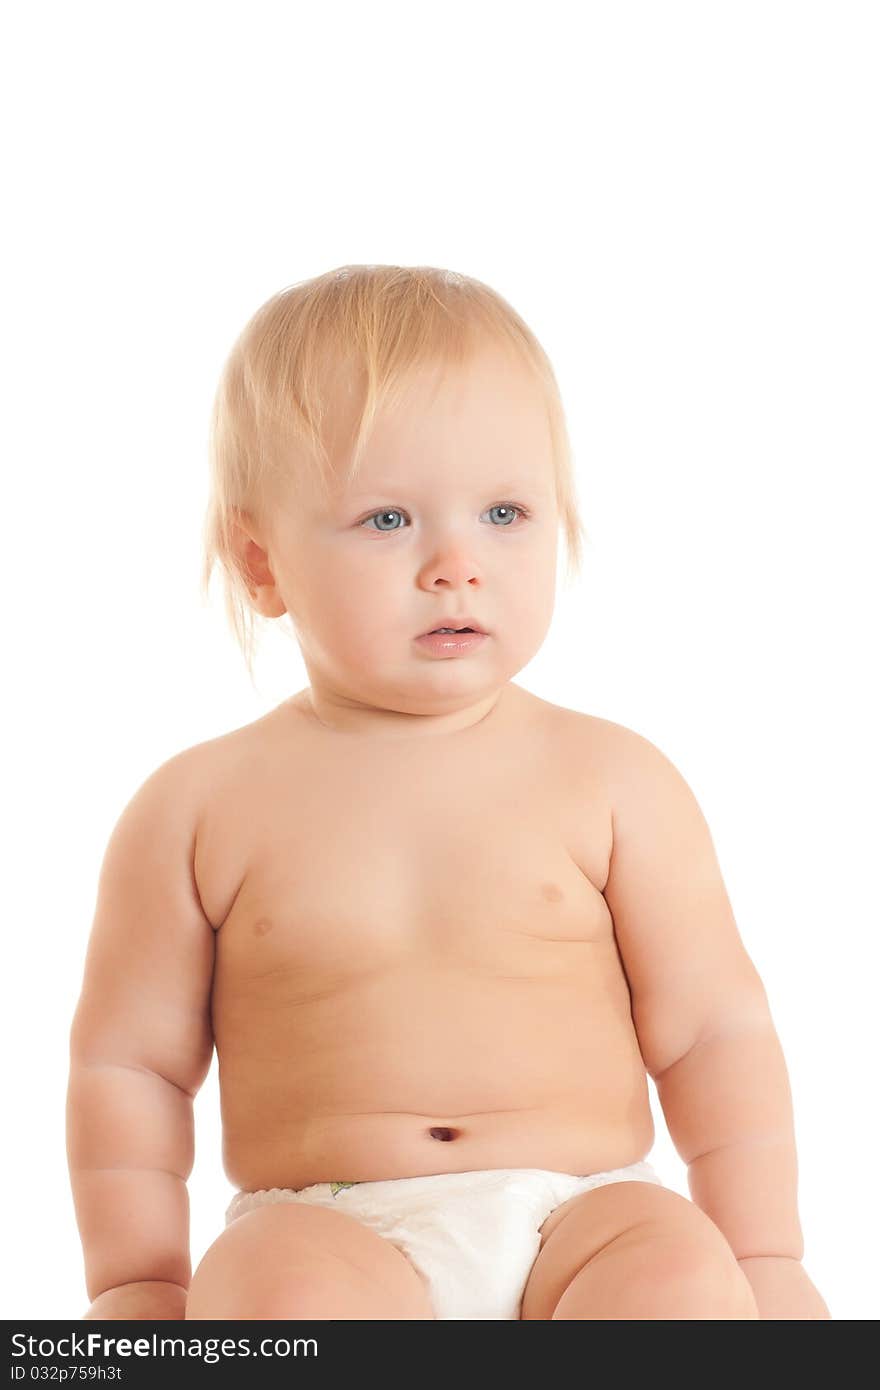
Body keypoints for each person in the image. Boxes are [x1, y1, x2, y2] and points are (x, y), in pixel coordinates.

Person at [66, 264, 830, 1320]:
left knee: (676, 1284)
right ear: (261, 564)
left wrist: (764, 1257)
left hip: (589, 1212)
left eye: (506, 511)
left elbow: (711, 1029)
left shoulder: (611, 779)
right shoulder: (198, 807)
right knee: (269, 1300)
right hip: (329, 1224)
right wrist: (136, 1280)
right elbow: (131, 1066)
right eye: (387, 520)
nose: (456, 564)